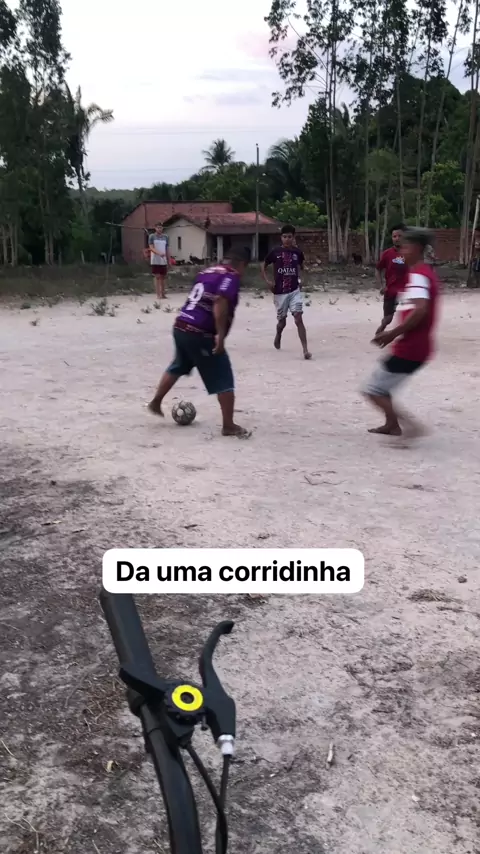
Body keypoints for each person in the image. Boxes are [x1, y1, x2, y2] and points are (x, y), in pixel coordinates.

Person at [148, 248, 250, 438]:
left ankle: (156, 401)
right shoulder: (231, 276)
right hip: (199, 332)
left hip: (181, 325)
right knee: (223, 376)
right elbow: (220, 302)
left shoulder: (207, 272)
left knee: (179, 364)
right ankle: (228, 425)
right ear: (242, 264)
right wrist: (220, 337)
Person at [362, 227, 440, 439]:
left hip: (411, 347)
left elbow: (420, 310)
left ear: (416, 248)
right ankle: (392, 425)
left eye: (405, 246)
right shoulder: (422, 273)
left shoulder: (419, 275)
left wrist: (392, 334)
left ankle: (411, 427)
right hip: (415, 345)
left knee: (372, 389)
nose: (401, 250)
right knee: (382, 386)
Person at [262, 224, 311, 359]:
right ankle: (278, 334)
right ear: (281, 238)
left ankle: (305, 350)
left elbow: (303, 267)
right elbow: (264, 265)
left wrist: (302, 280)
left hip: (294, 290)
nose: (287, 239)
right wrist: (268, 282)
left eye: (290, 237)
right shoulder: (275, 252)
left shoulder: (297, 253)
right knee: (282, 322)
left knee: (298, 318)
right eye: (285, 237)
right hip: (280, 292)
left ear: (293, 237)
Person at [375, 224, 408, 336]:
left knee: (409, 318)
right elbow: (378, 269)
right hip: (391, 291)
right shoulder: (387, 254)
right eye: (394, 236)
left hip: (406, 292)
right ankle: (379, 333)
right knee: (387, 319)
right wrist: (381, 286)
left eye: (399, 236)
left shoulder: (410, 253)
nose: (397, 238)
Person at [148, 222, 170, 299]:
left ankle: (163, 294)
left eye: (160, 227)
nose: (159, 229)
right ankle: (158, 295)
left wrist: (169, 259)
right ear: (155, 228)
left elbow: (167, 249)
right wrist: (159, 253)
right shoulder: (152, 236)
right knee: (157, 277)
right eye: (158, 227)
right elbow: (151, 247)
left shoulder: (166, 237)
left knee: (163, 277)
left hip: (163, 260)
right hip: (155, 259)